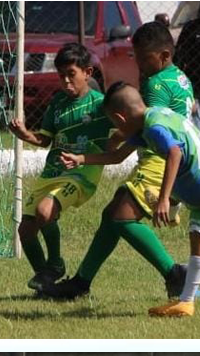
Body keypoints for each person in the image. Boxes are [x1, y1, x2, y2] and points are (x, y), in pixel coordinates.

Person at [41, 22, 192, 303]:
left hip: (158, 161)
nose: (140, 66)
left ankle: (174, 273)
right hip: (161, 158)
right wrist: (89, 156)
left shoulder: (156, 85)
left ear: (164, 56)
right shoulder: (180, 78)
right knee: (111, 215)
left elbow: (141, 120)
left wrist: (120, 134)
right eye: (136, 57)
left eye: (144, 58)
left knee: (121, 216)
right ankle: (81, 283)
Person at [7, 42, 113, 290]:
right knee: (25, 230)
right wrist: (25, 134)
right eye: (61, 76)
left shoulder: (101, 105)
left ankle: (55, 265)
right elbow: (45, 139)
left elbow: (121, 128)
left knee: (45, 212)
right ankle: (46, 280)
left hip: (80, 173)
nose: (66, 81)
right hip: (52, 172)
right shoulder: (57, 103)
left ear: (87, 72)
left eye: (71, 75)